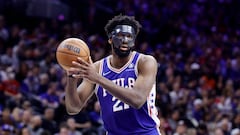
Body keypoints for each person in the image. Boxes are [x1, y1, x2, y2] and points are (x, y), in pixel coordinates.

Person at [65, 14, 160, 135]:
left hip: (144, 132)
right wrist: (71, 79)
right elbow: (73, 108)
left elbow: (137, 100)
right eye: (120, 36)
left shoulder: (145, 62)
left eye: (129, 36)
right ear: (110, 39)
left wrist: (98, 78)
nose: (125, 40)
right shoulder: (97, 68)